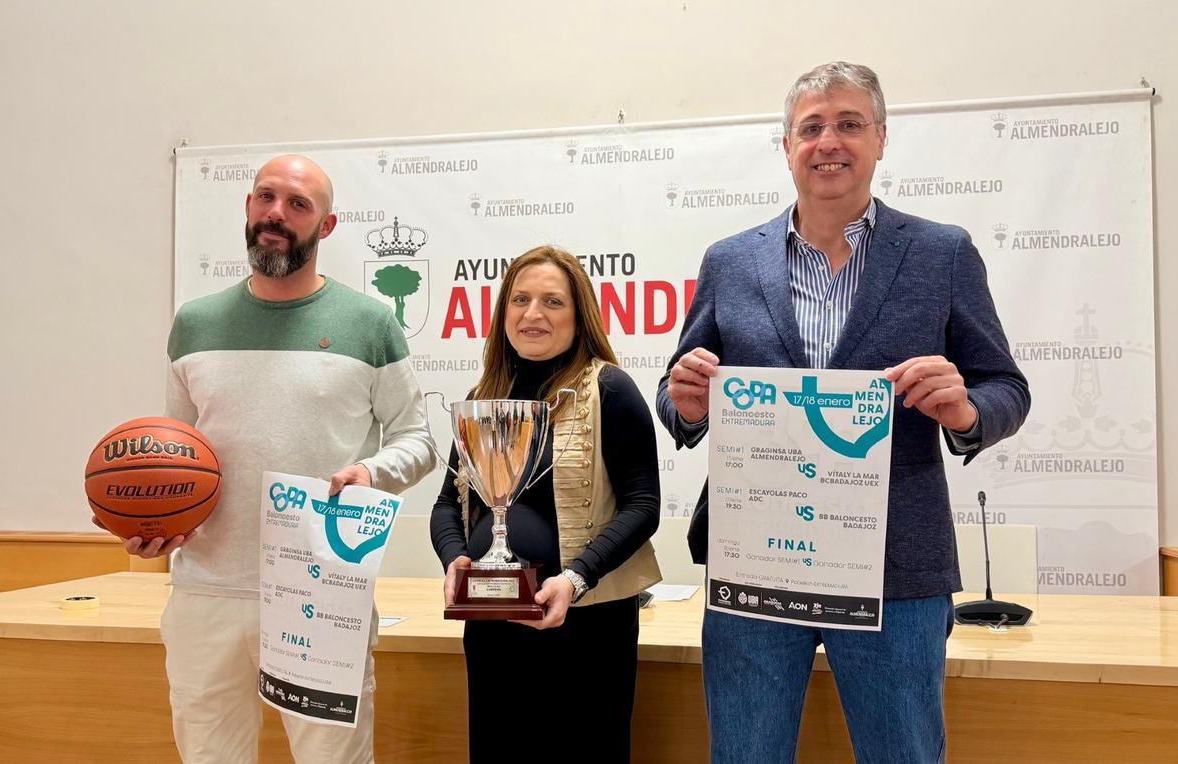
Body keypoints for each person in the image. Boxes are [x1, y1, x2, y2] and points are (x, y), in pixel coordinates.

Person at [656, 62, 1030, 762]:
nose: (830, 141)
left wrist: (967, 411)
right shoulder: (731, 261)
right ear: (787, 145)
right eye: (811, 127)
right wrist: (684, 402)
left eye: (850, 124)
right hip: (757, 564)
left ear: (882, 139)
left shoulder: (941, 252)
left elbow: (1005, 387)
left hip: (897, 571)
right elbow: (682, 390)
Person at [93, 154, 436, 763]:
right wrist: (151, 524)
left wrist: (370, 474)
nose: (277, 214)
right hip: (206, 593)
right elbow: (172, 456)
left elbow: (419, 438)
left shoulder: (370, 321)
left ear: (326, 226)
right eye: (265, 198)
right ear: (248, 208)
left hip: (323, 585)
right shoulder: (194, 324)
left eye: (298, 204)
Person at [430, 245, 662, 763]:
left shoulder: (610, 389)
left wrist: (576, 579)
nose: (533, 314)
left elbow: (643, 506)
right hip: (492, 628)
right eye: (520, 299)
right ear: (503, 313)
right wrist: (456, 562)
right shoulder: (484, 395)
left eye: (553, 302)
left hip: (587, 627)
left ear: (579, 317)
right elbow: (449, 503)